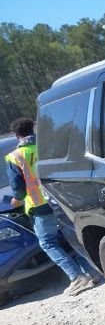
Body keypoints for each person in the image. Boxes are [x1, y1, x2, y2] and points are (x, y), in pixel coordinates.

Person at [5, 118, 97, 296]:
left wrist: (16, 200)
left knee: (48, 242)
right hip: (61, 199)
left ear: (17, 136)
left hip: (39, 205)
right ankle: (92, 271)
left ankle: (77, 277)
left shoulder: (15, 156)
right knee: (72, 236)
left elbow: (18, 189)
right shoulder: (47, 148)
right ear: (33, 129)